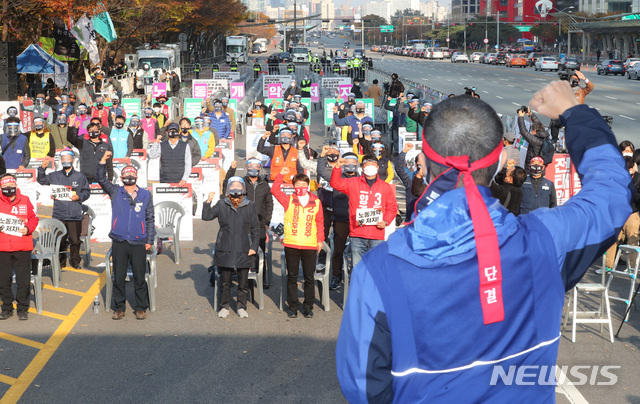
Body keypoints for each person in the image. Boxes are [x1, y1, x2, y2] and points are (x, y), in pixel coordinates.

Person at [336, 82, 633, 402]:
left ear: (422, 162)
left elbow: (363, 387)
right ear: (501, 159)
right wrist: (576, 112)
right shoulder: (545, 241)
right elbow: (612, 195)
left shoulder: (377, 271)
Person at [97, 152, 155, 320]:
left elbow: (150, 218)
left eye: (132, 174)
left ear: (136, 176)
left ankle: (140, 307)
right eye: (126, 174)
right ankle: (119, 307)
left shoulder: (145, 194)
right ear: (121, 178)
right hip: (119, 240)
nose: (129, 176)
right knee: (119, 276)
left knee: (139, 276)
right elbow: (101, 179)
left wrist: (149, 240)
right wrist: (102, 161)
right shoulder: (115, 191)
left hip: (138, 242)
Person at [202, 177, 260, 319]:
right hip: (225, 247)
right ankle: (224, 307)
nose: (235, 188)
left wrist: (254, 246)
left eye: (238, 185)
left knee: (243, 282)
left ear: (243, 188)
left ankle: (241, 306)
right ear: (228, 188)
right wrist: (208, 201)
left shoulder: (249, 205)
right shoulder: (222, 204)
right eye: (232, 185)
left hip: (244, 248)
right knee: (225, 281)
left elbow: (256, 229)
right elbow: (206, 216)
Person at [271, 167, 324, 318]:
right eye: (298, 184)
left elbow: (320, 222)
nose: (301, 186)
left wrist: (320, 240)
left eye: (303, 183)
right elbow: (275, 190)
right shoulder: (289, 200)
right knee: (292, 277)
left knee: (309, 277)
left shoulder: (316, 202)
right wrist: (281, 174)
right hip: (291, 244)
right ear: (294, 186)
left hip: (310, 244)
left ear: (308, 185)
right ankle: (293, 306)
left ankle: (308, 306)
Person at [330, 153, 397, 267]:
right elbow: (335, 183)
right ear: (362, 167)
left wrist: (385, 221)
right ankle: (358, 285)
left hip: (377, 234)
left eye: (373, 164)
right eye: (367, 164)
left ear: (377, 167)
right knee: (357, 269)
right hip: (357, 234)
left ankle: (373, 286)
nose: (370, 166)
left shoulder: (385, 186)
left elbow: (392, 207)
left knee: (376, 268)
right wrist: (337, 168)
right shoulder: (353, 182)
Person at [223, 158, 273, 288]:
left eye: (256, 166)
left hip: (260, 224)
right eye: (250, 166)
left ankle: (262, 279)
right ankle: (244, 280)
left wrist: (267, 220)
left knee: (260, 251)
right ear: (246, 168)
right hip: (242, 223)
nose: (253, 168)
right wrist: (231, 170)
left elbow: (269, 203)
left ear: (260, 168)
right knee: (241, 251)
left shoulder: (265, 185)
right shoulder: (241, 183)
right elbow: (226, 187)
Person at [37, 150, 90, 269]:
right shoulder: (54, 175)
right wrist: (42, 169)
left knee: (75, 241)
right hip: (59, 215)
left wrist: (79, 197)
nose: (66, 160)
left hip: (74, 214)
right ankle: (61, 261)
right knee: (59, 241)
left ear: (73, 160)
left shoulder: (80, 176)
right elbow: (42, 181)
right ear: (61, 161)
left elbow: (87, 192)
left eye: (68, 158)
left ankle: (75, 260)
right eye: (63, 158)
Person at [318, 148, 358, 290]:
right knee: (338, 250)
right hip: (340, 218)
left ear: (358, 164)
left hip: (358, 220)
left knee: (358, 251)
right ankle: (336, 276)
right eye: (347, 162)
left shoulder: (362, 179)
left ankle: (357, 278)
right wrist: (322, 156)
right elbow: (322, 172)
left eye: (353, 162)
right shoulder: (337, 176)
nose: (350, 165)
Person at [0, 174, 38, 321]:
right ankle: (7, 308)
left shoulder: (25, 200)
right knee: (3, 280)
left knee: (23, 279)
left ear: (15, 186)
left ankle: (23, 308)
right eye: (4, 187)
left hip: (22, 245)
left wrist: (28, 229)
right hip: (3, 246)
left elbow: (34, 218)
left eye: (11, 186)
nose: (8, 189)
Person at [517, 107, 549, 173]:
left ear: (534, 131)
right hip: (541, 167)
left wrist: (521, 117)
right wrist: (530, 114)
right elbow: (538, 124)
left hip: (533, 168)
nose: (531, 132)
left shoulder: (535, 140)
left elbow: (523, 131)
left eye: (532, 131)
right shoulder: (545, 136)